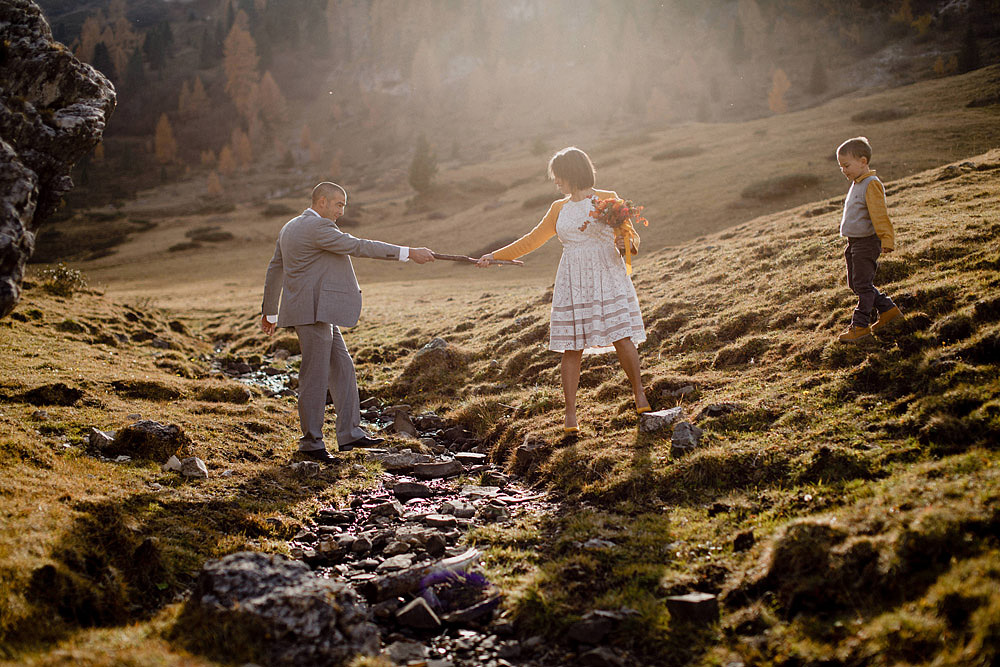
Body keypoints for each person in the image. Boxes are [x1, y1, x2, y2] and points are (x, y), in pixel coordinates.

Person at [477, 147, 649, 433]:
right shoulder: (559, 208)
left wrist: (627, 246)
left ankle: (639, 394)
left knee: (621, 335)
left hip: (607, 274)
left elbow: (631, 239)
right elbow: (531, 240)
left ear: (572, 173)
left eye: (558, 176)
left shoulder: (609, 199)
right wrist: (495, 257)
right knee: (572, 346)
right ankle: (570, 414)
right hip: (573, 280)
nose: (556, 182)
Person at [260, 182, 436, 462]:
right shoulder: (319, 228)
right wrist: (408, 252)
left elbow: (275, 267)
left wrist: (270, 312)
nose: (342, 211)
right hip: (313, 312)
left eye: (344, 205)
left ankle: (350, 434)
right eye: (338, 204)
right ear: (321, 202)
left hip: (320, 311)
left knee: (343, 367)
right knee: (314, 377)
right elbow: (358, 246)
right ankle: (311, 444)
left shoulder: (290, 226)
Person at [835, 137, 902, 342]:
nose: (844, 170)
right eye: (841, 167)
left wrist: (886, 239)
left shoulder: (871, 184)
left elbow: (879, 214)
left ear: (863, 161)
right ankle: (888, 310)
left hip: (866, 242)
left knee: (863, 285)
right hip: (853, 242)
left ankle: (860, 326)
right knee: (856, 284)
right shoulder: (857, 183)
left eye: (847, 165)